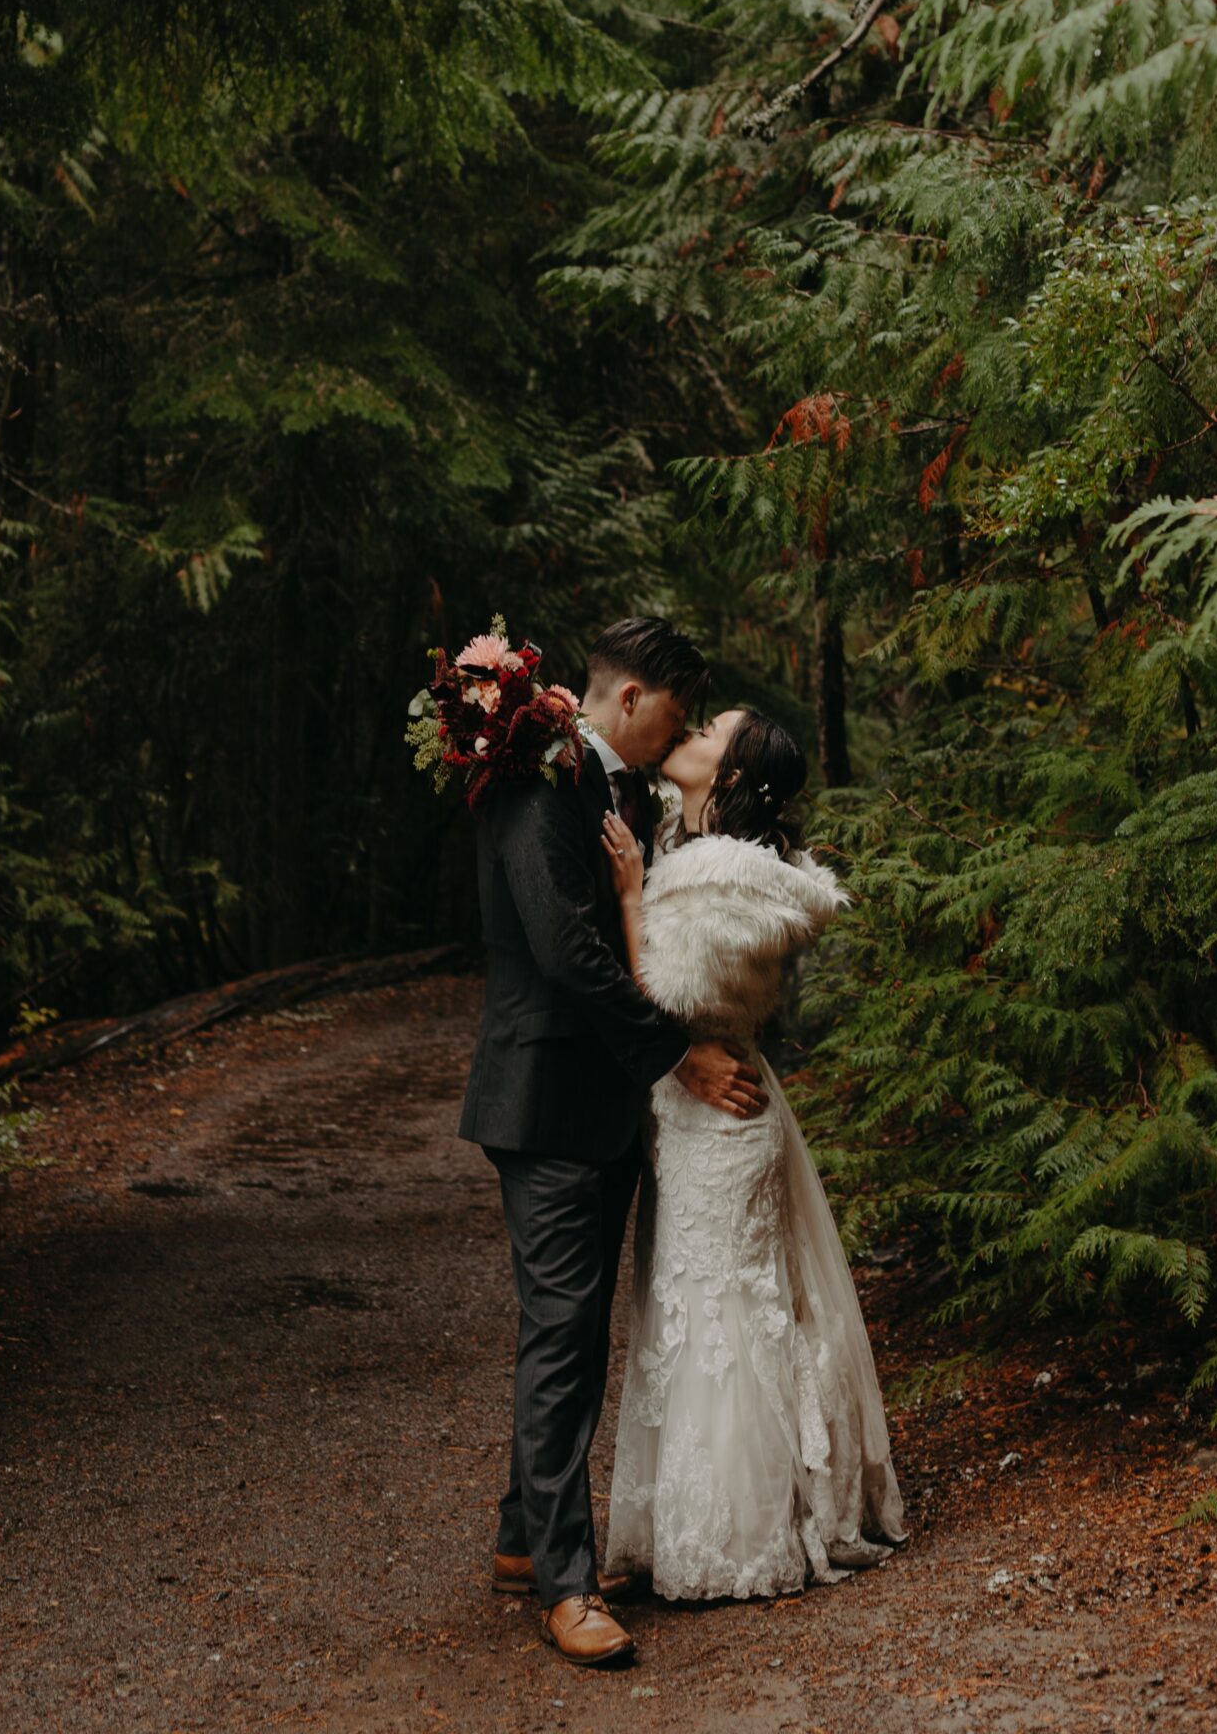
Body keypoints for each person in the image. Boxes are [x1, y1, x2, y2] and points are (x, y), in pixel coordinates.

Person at [458, 618, 767, 1671]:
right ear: (630, 697)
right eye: (673, 717)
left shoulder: (609, 785)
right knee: (563, 1335)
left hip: (593, 1104)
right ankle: (566, 1585)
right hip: (543, 1098)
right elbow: (565, 954)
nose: (672, 738)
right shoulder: (535, 781)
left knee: (573, 1328)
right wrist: (677, 1055)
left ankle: (518, 1538)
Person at [601, 706, 907, 1602]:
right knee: (698, 1310)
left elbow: (657, 992)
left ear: (729, 776)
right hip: (704, 1108)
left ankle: (737, 1532)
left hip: (717, 1114)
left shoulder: (723, 877)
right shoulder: (695, 852)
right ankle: (699, 1518)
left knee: (723, 1316)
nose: (687, 730)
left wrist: (627, 894)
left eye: (707, 730)